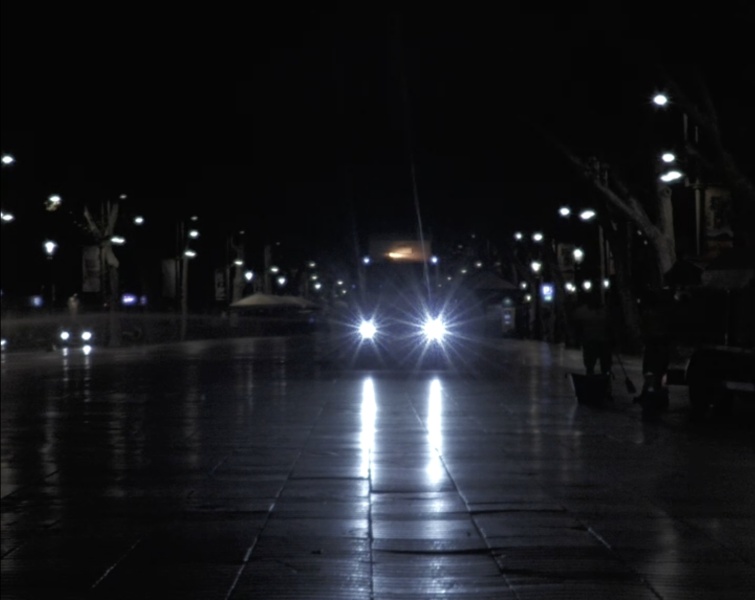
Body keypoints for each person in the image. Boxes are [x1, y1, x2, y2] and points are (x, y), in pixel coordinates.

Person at [572, 294, 614, 376]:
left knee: (604, 364)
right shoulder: (583, 311)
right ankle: (593, 376)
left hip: (602, 341)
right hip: (591, 341)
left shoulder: (604, 311)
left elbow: (610, 326)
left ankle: (604, 377)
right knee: (590, 364)